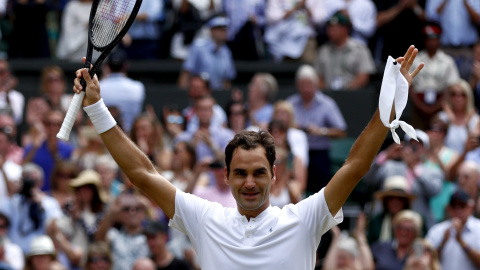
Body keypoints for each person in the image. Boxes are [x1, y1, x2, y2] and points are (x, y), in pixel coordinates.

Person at [72, 45, 424, 269]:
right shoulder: (205, 219)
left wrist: (388, 108)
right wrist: (97, 108)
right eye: (240, 173)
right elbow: (142, 172)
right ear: (226, 176)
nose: (249, 183)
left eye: (258, 172)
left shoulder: (303, 219)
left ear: (274, 174)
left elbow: (355, 166)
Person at [287, 64, 347, 194]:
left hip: (319, 153)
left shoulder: (327, 104)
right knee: (295, 189)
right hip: (295, 153)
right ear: (297, 85)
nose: (306, 89)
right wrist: (293, 127)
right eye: (303, 85)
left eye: (309, 85)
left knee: (320, 193)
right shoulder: (290, 104)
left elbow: (341, 131)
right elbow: (280, 126)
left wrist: (321, 131)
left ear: (316, 85)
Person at [0, 163, 63, 254]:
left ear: (41, 182)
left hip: (39, 254)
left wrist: (41, 206)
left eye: (33, 181)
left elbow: (55, 229)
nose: (29, 184)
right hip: (15, 254)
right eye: (26, 180)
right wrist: (12, 194)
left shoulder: (49, 203)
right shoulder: (12, 202)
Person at [409, 22, 460, 130]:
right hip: (418, 105)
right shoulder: (416, 59)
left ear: (439, 40)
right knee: (416, 134)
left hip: (440, 104)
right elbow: (409, 86)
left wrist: (437, 106)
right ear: (425, 40)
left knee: (437, 133)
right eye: (429, 39)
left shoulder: (447, 61)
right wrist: (421, 106)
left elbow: (451, 86)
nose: (431, 42)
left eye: (434, 39)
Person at [315, 11, 376, 90]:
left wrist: (346, 92)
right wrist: (327, 93)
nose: (331, 32)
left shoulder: (360, 49)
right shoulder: (323, 51)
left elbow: (363, 76)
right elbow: (317, 76)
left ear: (345, 30)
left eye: (334, 29)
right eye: (329, 29)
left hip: (353, 95)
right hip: (328, 96)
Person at [425, 188, 480, 270]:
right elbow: (426, 262)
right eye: (454, 206)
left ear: (471, 208)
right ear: (448, 208)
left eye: (462, 205)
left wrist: (461, 241)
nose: (458, 210)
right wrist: (443, 242)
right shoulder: (437, 230)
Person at [178, 16, 236, 91]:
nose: (223, 32)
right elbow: (186, 73)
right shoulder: (198, 47)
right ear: (212, 30)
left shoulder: (226, 52)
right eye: (220, 29)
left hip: (218, 95)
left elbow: (227, 80)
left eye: (225, 29)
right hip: (199, 93)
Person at [23, 109, 74, 192]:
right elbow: (23, 168)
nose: (53, 128)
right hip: (37, 196)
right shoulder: (32, 148)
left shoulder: (68, 149)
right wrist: (35, 147)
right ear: (44, 124)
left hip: (59, 196)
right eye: (49, 124)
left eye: (57, 124)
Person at [99, 49, 146, 133]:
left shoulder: (98, 87)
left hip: (104, 137)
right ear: (125, 65)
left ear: (107, 66)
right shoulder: (138, 87)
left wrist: (103, 76)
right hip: (130, 138)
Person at [367, 175, 417, 245]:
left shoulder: (416, 221)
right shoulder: (376, 221)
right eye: (391, 198)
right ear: (386, 201)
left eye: (399, 199)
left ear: (405, 201)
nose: (395, 202)